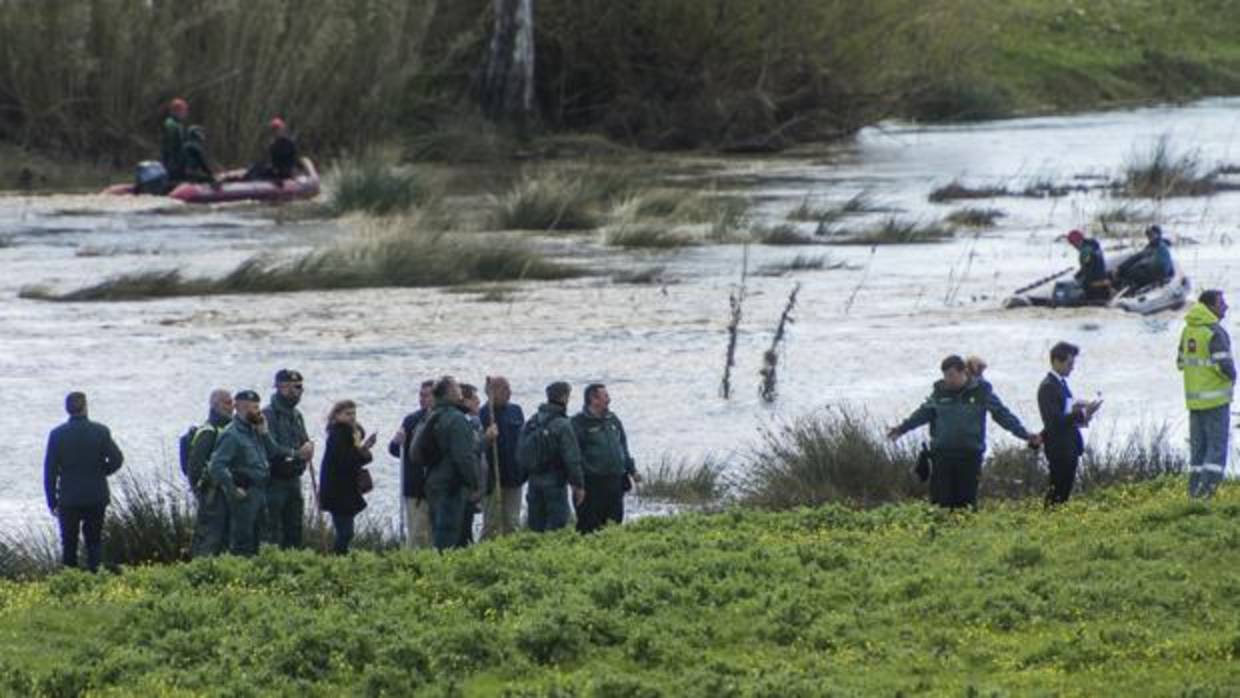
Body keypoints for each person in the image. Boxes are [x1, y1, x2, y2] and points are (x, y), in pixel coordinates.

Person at [888, 355, 1041, 509]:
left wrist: (1025, 435)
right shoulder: (939, 393)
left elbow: (1002, 415)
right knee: (940, 504)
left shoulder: (981, 391)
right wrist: (901, 429)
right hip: (942, 457)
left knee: (966, 505)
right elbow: (921, 415)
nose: (948, 380)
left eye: (952, 376)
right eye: (945, 376)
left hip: (970, 457)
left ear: (963, 373)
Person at [208, 390, 303, 556]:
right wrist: (232, 488)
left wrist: (265, 433)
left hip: (262, 490)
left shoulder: (255, 431)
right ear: (240, 408)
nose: (257, 412)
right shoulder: (232, 434)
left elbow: (273, 452)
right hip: (245, 492)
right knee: (243, 539)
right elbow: (217, 465)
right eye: (252, 408)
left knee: (264, 536)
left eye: (257, 407)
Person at [42, 392, 124, 572]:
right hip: (96, 496)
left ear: (67, 409)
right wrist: (102, 471)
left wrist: (52, 501)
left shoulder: (57, 435)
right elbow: (117, 459)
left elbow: (50, 472)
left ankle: (71, 582)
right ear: (85, 406)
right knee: (94, 541)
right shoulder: (101, 431)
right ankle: (96, 578)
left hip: (69, 499)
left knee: (69, 544)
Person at [1177, 289, 1234, 499]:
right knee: (1216, 450)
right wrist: (1233, 377)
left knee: (1198, 452)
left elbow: (1181, 362)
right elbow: (1225, 366)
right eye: (1222, 303)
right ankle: (1208, 493)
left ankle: (1194, 494)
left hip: (1194, 402)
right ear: (1210, 307)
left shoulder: (1187, 330)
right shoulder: (1215, 332)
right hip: (1216, 401)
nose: (1226, 306)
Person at [571, 383, 640, 533]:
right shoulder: (578, 423)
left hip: (615, 481)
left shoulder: (612, 419)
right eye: (605, 396)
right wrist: (578, 483)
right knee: (589, 526)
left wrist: (632, 470)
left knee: (615, 524)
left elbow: (623, 447)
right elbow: (573, 456)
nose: (609, 400)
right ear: (593, 399)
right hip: (592, 484)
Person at [1038, 342, 1101, 507]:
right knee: (1057, 492)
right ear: (1056, 361)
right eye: (1069, 364)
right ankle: (1051, 523)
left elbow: (1065, 414)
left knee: (1064, 491)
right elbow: (1054, 421)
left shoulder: (1061, 384)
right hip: (1059, 447)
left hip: (1069, 445)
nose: (1072, 368)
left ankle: (1058, 521)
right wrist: (1081, 413)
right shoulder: (1048, 387)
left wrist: (1083, 413)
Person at [424, 376, 481, 551]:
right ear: (449, 392)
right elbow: (464, 457)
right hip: (452, 486)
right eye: (457, 388)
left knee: (438, 531)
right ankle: (447, 573)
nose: (460, 392)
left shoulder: (433, 415)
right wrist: (475, 483)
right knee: (450, 538)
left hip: (433, 481)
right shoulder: (457, 419)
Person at [522, 382, 586, 533]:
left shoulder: (532, 421)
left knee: (535, 527)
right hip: (555, 482)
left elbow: (521, 450)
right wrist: (578, 484)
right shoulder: (563, 424)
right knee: (558, 527)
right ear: (564, 397)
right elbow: (572, 457)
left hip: (533, 479)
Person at [262, 369, 315, 550]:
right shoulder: (268, 415)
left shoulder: (297, 416)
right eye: (287, 387)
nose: (293, 391)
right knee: (272, 531)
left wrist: (308, 448)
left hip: (294, 479)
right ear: (277, 387)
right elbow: (270, 449)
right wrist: (296, 453)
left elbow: (304, 440)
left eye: (298, 387)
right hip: (273, 481)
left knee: (295, 530)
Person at [318, 400, 377, 554]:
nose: (352, 417)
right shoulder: (339, 433)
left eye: (353, 414)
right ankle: (339, 558)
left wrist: (362, 447)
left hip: (343, 490)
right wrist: (361, 449)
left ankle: (340, 556)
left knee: (346, 531)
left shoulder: (346, 433)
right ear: (337, 415)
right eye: (347, 414)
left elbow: (351, 457)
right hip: (339, 491)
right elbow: (347, 459)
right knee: (345, 532)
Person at [186, 389, 234, 557]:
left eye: (232, 402)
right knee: (209, 539)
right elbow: (194, 468)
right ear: (215, 405)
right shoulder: (207, 432)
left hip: (228, 493)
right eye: (227, 403)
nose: (231, 407)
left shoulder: (230, 429)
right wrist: (203, 493)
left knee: (226, 539)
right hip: (212, 495)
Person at [390, 379, 435, 549]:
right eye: (421, 395)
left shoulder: (443, 418)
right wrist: (397, 441)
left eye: (427, 395)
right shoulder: (411, 420)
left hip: (437, 487)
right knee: (418, 534)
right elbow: (395, 450)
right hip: (415, 488)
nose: (422, 399)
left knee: (433, 535)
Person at [479, 376, 525, 538]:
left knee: (512, 522)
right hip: (493, 480)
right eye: (504, 389)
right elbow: (477, 448)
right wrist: (487, 437)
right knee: (491, 523)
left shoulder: (516, 411)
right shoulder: (483, 414)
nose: (509, 393)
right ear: (492, 393)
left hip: (514, 477)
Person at [457, 384, 487, 547]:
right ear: (466, 401)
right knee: (462, 532)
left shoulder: (475, 421)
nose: (478, 403)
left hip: (473, 487)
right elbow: (471, 450)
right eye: (475, 399)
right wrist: (487, 440)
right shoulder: (467, 422)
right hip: (466, 488)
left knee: (465, 528)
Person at [1115, 225, 1174, 291]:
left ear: (1158, 234)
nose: (1149, 237)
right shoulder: (1152, 247)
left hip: (1157, 275)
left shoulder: (1160, 247)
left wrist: (1122, 268)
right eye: (1148, 235)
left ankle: (1126, 286)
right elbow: (1137, 257)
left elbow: (1139, 258)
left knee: (1131, 273)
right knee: (1131, 270)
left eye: (1152, 234)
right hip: (1154, 274)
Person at [245, 117, 301, 182]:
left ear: (282, 129)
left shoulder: (287, 143)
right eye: (273, 130)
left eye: (276, 129)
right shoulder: (274, 143)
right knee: (255, 168)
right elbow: (270, 160)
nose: (274, 132)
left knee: (260, 171)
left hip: (284, 173)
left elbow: (286, 161)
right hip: (276, 171)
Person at [1066, 229, 1110, 300]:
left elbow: (1088, 270)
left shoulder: (1085, 251)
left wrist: (1079, 280)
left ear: (1077, 241)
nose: (1074, 247)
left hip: (1094, 288)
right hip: (1103, 283)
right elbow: (1091, 265)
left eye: (1073, 244)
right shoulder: (1094, 246)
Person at [160, 98, 189, 183]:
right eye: (184, 110)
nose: (186, 113)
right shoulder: (171, 124)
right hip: (173, 164)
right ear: (177, 111)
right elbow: (173, 147)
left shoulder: (176, 123)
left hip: (174, 162)